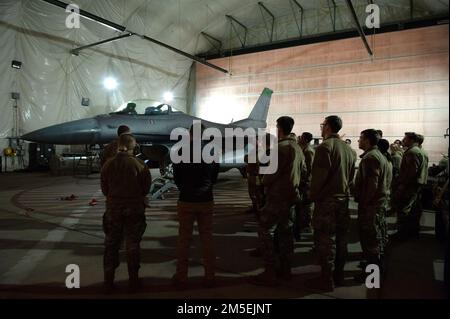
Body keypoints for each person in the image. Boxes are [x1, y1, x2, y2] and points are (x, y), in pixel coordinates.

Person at [250, 116, 305, 286]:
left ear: (279, 128)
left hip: (277, 197)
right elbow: (304, 171)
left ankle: (270, 271)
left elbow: (269, 175)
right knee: (286, 233)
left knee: (265, 230)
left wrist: (262, 183)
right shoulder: (297, 147)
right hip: (290, 196)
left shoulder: (280, 149)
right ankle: (286, 270)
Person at [306, 115, 356, 291]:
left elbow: (318, 179)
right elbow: (351, 178)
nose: (321, 127)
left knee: (326, 241)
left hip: (327, 201)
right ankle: (339, 275)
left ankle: (326, 280)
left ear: (327, 127)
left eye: (323, 124)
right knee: (342, 239)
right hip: (343, 200)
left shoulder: (324, 147)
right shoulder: (350, 150)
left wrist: (312, 197)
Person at [101, 133, 152, 293]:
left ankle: (108, 282)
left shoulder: (108, 165)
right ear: (133, 147)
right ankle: (134, 281)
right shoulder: (140, 165)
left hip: (113, 209)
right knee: (133, 245)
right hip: (134, 209)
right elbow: (146, 189)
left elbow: (105, 190)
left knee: (111, 245)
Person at [172, 123, 220, 289]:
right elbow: (214, 176)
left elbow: (176, 177)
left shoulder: (180, 150)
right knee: (207, 239)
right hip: (206, 199)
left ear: (190, 133)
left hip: (186, 199)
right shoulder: (212, 150)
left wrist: (185, 188)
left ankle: (181, 276)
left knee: (184, 239)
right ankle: (210, 276)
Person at [353, 131, 390, 282]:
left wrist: (365, 202)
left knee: (370, 242)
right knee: (374, 240)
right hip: (376, 205)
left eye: (360, 138)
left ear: (367, 140)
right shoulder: (378, 155)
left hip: (371, 206)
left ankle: (373, 276)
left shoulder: (371, 157)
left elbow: (372, 186)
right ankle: (373, 268)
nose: (358, 141)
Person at [392, 132, 428, 240]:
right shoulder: (422, 151)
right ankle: (413, 232)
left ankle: (402, 234)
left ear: (412, 140)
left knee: (404, 209)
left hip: (410, 186)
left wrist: (402, 186)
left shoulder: (412, 152)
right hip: (418, 185)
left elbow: (410, 173)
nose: (403, 140)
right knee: (414, 210)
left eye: (405, 138)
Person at [294, 132, 315, 239]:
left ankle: (307, 225)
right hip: (303, 183)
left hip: (306, 184)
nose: (299, 138)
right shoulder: (304, 149)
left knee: (306, 206)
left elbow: (309, 169)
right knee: (303, 206)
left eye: (301, 137)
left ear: (306, 140)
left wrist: (305, 181)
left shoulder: (308, 151)